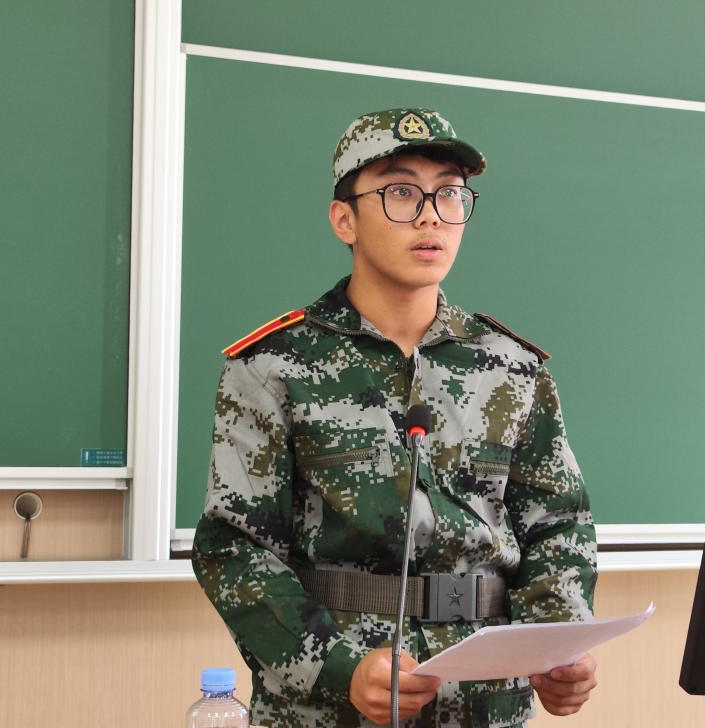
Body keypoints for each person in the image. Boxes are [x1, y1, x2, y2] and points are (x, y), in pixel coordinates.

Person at [192, 108, 598, 727]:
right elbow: (235, 548)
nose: (431, 215)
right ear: (344, 219)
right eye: (401, 192)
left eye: (450, 194)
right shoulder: (274, 365)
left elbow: (558, 525)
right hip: (333, 705)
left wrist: (558, 647)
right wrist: (339, 668)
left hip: (486, 701)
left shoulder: (512, 367)